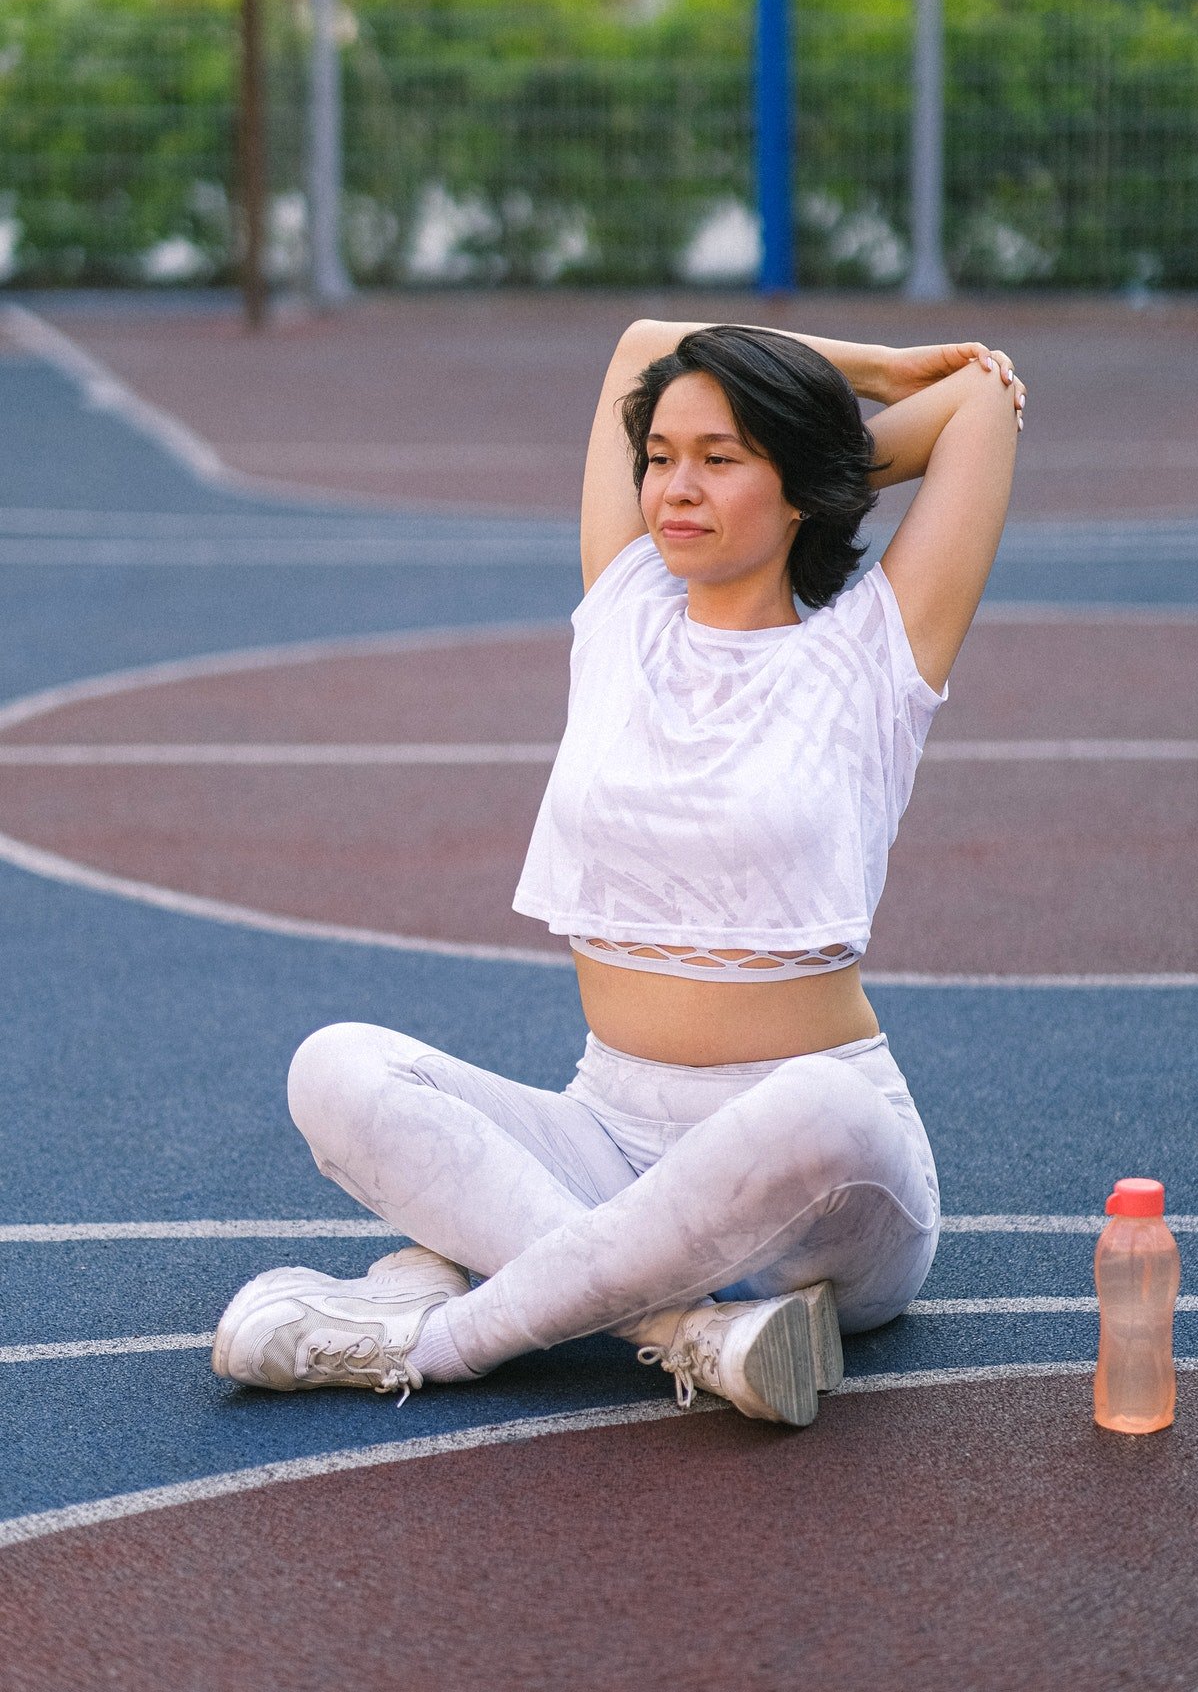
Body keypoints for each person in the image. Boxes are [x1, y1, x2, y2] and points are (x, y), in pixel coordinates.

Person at [213, 319, 1025, 1426]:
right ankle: (687, 1332)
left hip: (817, 1194)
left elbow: (978, 402)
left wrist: (816, 447)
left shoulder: (876, 651)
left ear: (796, 488)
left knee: (821, 1110)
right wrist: (872, 378)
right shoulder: (623, 605)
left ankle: (441, 1338)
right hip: (607, 1144)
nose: (673, 489)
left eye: (718, 459)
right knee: (336, 1068)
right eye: (659, 458)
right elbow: (646, 339)